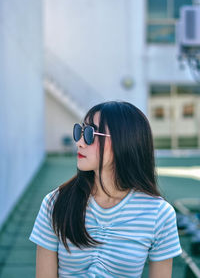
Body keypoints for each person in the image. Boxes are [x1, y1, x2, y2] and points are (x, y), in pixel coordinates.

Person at [29, 101, 182, 278]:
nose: (79, 142)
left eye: (89, 134)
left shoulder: (159, 214)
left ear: (123, 141)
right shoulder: (55, 202)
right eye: (79, 131)